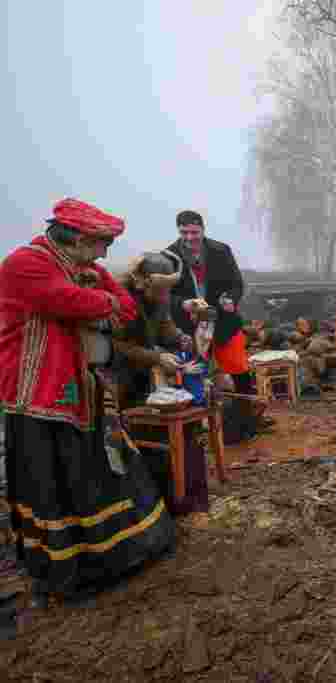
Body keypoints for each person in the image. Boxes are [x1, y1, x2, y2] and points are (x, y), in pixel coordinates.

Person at [0, 199, 175, 607]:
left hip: (86, 384)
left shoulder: (85, 269)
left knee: (103, 465)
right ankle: (69, 568)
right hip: (41, 390)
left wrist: (99, 300)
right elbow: (69, 302)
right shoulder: (24, 264)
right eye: (101, 245)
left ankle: (123, 553)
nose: (104, 256)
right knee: (57, 477)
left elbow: (124, 309)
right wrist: (100, 301)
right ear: (79, 240)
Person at [111, 251, 212, 519]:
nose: (166, 296)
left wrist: (180, 338)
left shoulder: (159, 299)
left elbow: (165, 325)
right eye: (161, 290)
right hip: (119, 376)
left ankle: (179, 498)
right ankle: (145, 504)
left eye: (169, 290)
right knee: (136, 436)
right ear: (142, 282)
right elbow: (117, 345)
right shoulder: (121, 300)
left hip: (147, 375)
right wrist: (156, 357)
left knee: (171, 432)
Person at [166, 210, 259, 438]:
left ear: (203, 230)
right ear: (178, 232)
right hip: (190, 327)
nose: (189, 238)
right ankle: (195, 430)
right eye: (184, 232)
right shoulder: (169, 257)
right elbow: (165, 296)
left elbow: (237, 284)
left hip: (225, 323)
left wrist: (230, 299)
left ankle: (245, 426)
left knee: (239, 373)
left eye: (194, 232)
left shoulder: (221, 251)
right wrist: (183, 304)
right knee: (193, 376)